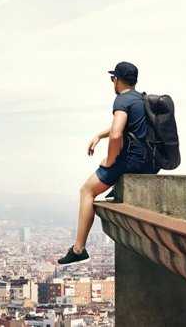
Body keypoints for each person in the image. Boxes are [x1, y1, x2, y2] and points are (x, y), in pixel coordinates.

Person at [57, 61, 159, 265]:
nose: (112, 82)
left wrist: (110, 160)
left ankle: (78, 249)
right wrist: (99, 135)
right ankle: (115, 185)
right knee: (110, 173)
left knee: (86, 190)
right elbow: (126, 126)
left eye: (113, 78)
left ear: (118, 80)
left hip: (131, 162)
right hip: (150, 162)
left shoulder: (122, 100)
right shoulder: (142, 99)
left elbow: (116, 133)